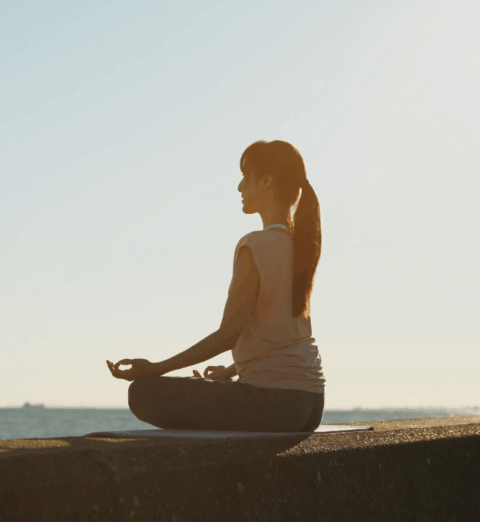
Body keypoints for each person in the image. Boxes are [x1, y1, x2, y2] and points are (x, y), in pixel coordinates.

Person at [106, 140, 325, 432]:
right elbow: (283, 337)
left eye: (246, 178)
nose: (239, 187)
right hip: (311, 405)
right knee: (195, 389)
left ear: (266, 181)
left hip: (274, 403)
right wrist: (230, 372)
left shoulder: (254, 245)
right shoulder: (301, 246)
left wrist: (156, 367)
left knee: (143, 393)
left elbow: (228, 335)